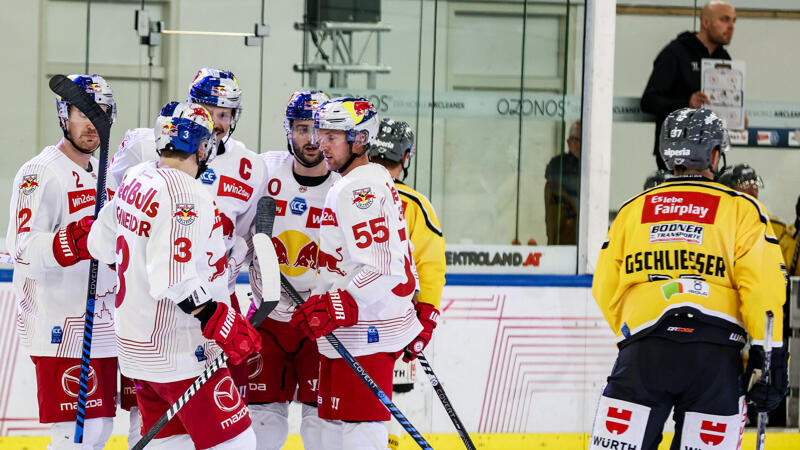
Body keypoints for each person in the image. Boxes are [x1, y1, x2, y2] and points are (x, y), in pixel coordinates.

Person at [590, 108, 788, 450]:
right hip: (714, 359)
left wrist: (636, 335)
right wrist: (769, 359)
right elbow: (763, 290)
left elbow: (605, 286)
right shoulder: (742, 209)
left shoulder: (632, 210)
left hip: (643, 354)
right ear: (714, 154)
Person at [81, 101, 261, 448]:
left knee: (170, 443)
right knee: (238, 442)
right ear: (202, 146)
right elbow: (174, 279)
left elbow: (98, 245)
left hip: (136, 349)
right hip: (179, 351)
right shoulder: (187, 194)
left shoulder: (136, 178)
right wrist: (219, 318)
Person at [288, 98, 422, 448]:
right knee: (336, 427)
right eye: (321, 133)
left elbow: (384, 266)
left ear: (360, 140)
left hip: (368, 327)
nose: (321, 144)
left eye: (333, 137)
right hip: (356, 326)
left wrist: (338, 302)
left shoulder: (360, 188)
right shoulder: (364, 178)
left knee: (361, 427)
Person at [5, 74, 118, 449]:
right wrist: (73, 240)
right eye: (82, 112)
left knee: (98, 430)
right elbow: (21, 250)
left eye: (99, 112)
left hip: (99, 324)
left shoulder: (106, 179)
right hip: (59, 326)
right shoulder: (41, 173)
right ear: (63, 115)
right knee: (74, 436)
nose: (92, 122)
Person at [247, 90, 342, 449]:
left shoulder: (343, 186)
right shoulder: (262, 171)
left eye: (319, 129)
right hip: (268, 318)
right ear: (289, 131)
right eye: (303, 128)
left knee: (321, 425)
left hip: (319, 322)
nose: (312, 138)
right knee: (262, 422)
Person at [367, 118, 445, 450]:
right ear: (406, 156)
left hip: (347, 322)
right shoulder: (415, 204)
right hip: (397, 324)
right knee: (394, 398)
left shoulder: (345, 192)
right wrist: (426, 316)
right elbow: (431, 266)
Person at [641, 1, 736, 170]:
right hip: (676, 154)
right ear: (705, 22)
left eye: (733, 21)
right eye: (724, 19)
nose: (730, 26)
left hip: (709, 155)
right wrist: (687, 103)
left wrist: (735, 115)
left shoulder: (724, 59)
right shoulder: (675, 53)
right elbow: (648, 101)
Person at [544, 121, 581, 245]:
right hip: (565, 237)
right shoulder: (558, 165)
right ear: (569, 142)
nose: (581, 145)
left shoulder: (593, 167)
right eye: (578, 140)